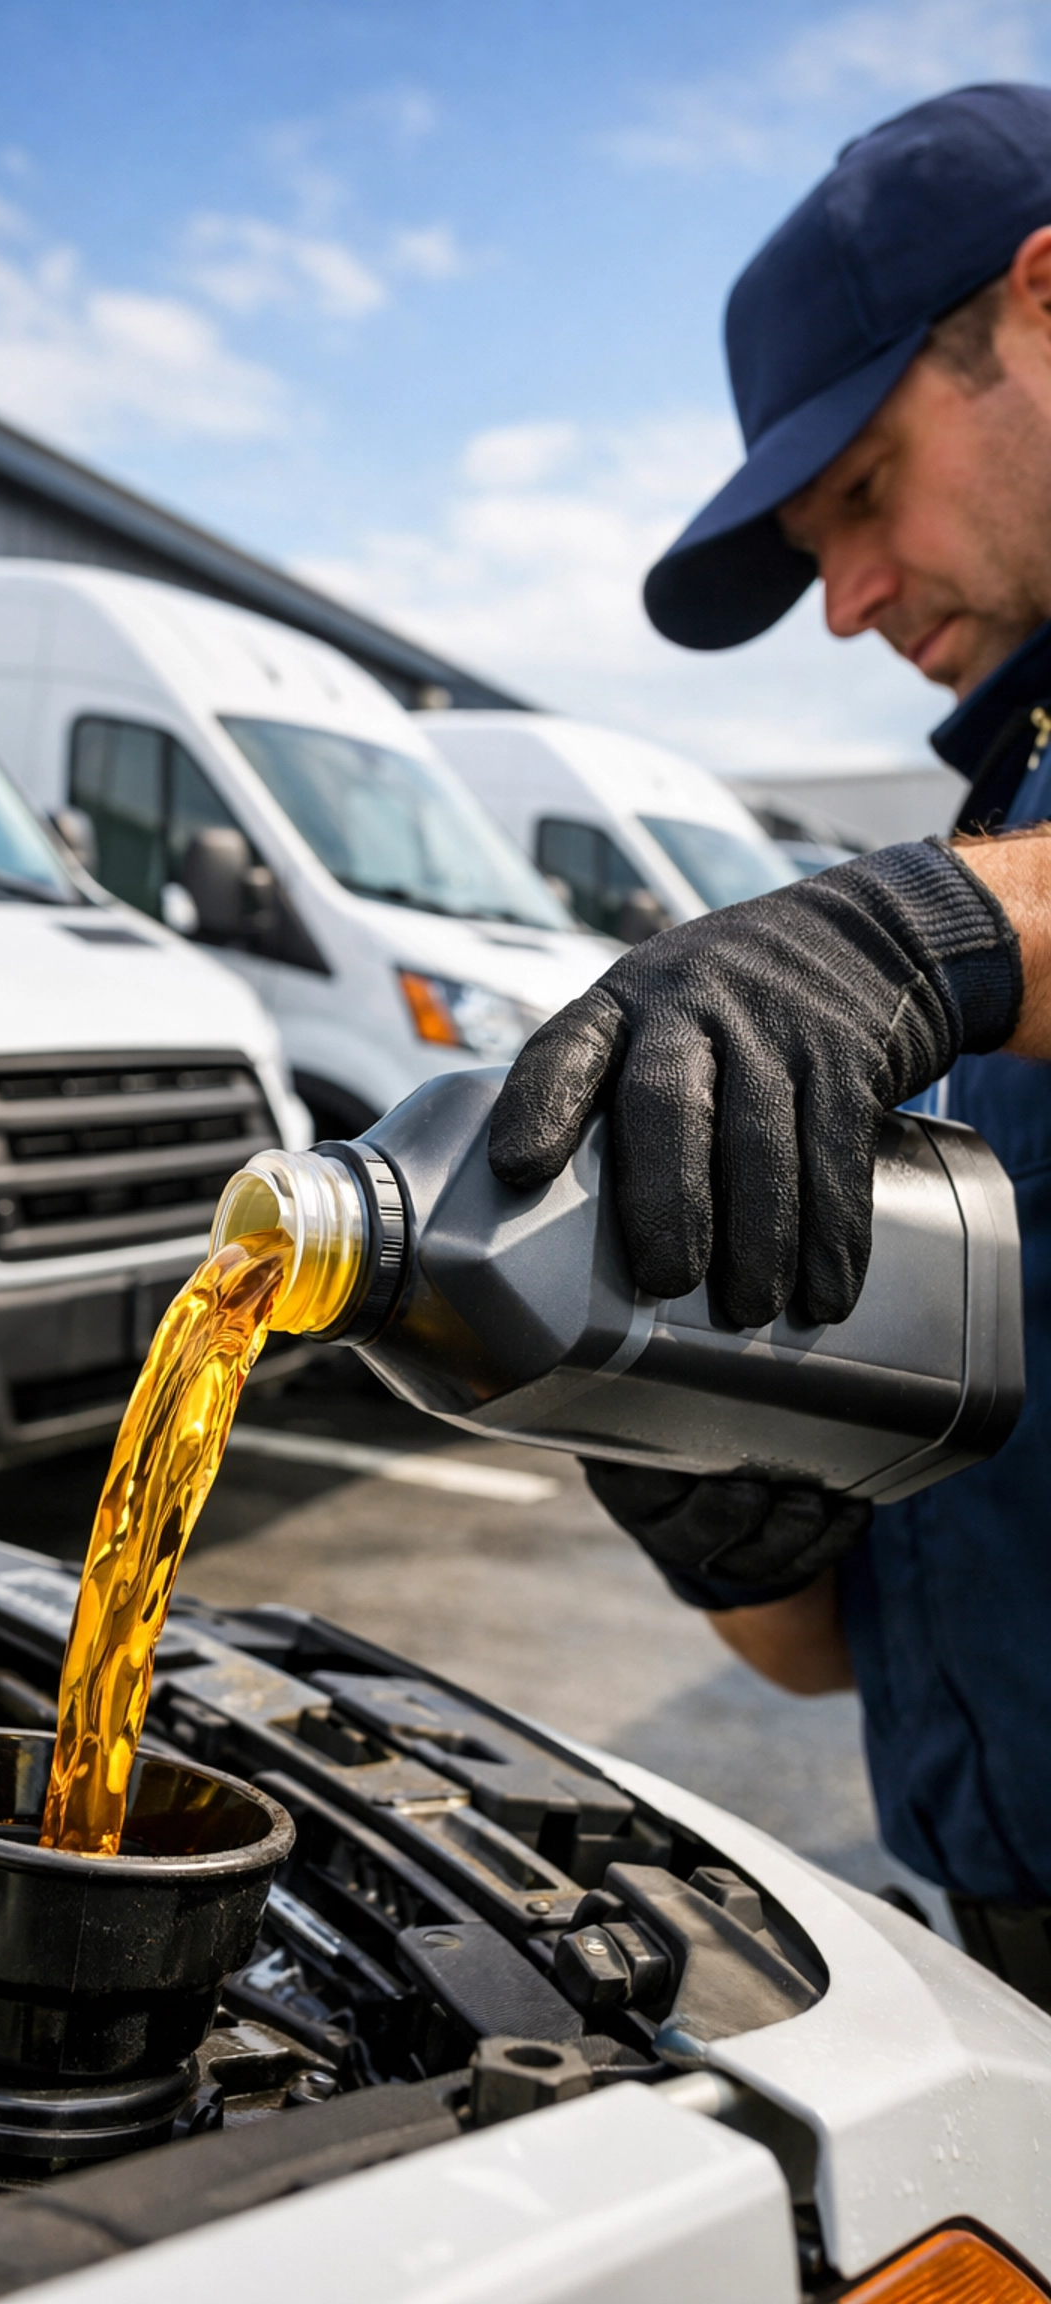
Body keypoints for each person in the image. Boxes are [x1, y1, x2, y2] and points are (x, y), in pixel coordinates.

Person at [486, 82, 1051, 1999]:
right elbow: (834, 1658)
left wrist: (927, 928)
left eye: (867, 493)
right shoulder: (1003, 805)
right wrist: (733, 1511)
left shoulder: (975, 900)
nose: (849, 602)